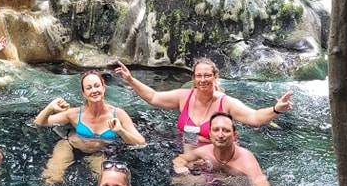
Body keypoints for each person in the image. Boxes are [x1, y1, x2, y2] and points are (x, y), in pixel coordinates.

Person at [115, 58, 294, 146]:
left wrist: (276, 109)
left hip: (216, 159)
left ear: (215, 77)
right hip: (188, 156)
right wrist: (130, 79)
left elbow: (254, 117)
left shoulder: (226, 103)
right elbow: (153, 97)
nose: (203, 80)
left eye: (207, 75)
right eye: (199, 76)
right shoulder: (183, 97)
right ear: (193, 78)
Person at [34, 71, 146, 184]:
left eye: (97, 86)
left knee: (108, 183)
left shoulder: (118, 114)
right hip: (70, 146)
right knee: (51, 179)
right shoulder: (74, 114)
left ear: (104, 88)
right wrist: (50, 108)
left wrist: (121, 131)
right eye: (89, 88)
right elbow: (39, 122)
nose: (94, 91)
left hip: (98, 152)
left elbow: (141, 142)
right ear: (83, 93)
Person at [172, 112, 270, 186]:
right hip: (217, 180)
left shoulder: (245, 160)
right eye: (216, 130)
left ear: (234, 135)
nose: (220, 135)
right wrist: (181, 167)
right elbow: (180, 159)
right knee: (176, 181)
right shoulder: (206, 151)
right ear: (210, 134)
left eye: (226, 131)